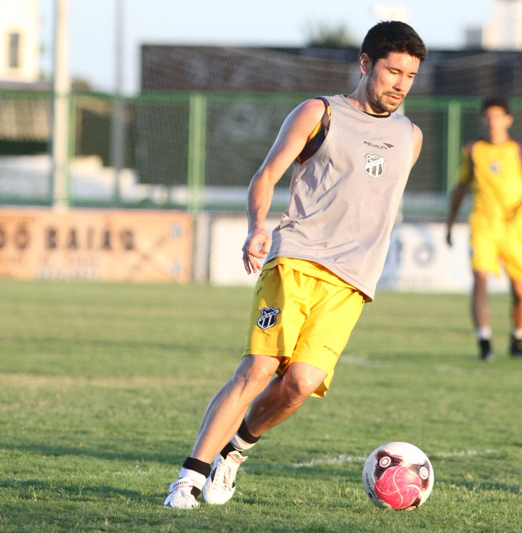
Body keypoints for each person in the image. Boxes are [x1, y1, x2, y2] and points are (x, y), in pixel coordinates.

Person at [163, 21, 427, 509]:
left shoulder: (410, 137)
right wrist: (257, 225)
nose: (401, 84)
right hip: (297, 260)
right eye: (393, 71)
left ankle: (235, 451)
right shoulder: (319, 112)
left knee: (301, 384)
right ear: (366, 63)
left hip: (352, 284)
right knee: (260, 368)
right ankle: (188, 480)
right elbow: (266, 175)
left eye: (410, 76)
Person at [445, 98, 522, 361]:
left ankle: (518, 339)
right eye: (488, 117)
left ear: (508, 120)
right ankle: (484, 343)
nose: (492, 122)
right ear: (482, 120)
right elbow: (460, 188)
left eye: (497, 117)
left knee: (520, 290)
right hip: (484, 226)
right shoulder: (473, 150)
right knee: (480, 281)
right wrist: (450, 222)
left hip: (515, 230)